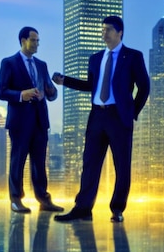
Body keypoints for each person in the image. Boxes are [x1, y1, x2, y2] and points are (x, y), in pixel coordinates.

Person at [54, 16, 150, 223]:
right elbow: (92, 85)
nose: (103, 33)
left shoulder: (133, 56)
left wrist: (131, 112)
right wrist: (66, 81)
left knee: (121, 165)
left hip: (119, 117)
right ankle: (83, 208)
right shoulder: (96, 58)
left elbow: (144, 87)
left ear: (120, 32)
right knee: (90, 163)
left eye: (108, 30)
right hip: (97, 115)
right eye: (102, 29)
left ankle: (117, 209)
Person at [0, 27, 63, 214]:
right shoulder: (9, 63)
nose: (36, 44)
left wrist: (51, 91)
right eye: (33, 40)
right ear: (22, 40)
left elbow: (51, 92)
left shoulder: (42, 65)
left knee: (39, 162)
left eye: (38, 41)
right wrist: (21, 95)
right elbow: (2, 91)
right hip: (20, 122)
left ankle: (43, 199)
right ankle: (16, 199)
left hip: (40, 121)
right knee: (17, 162)